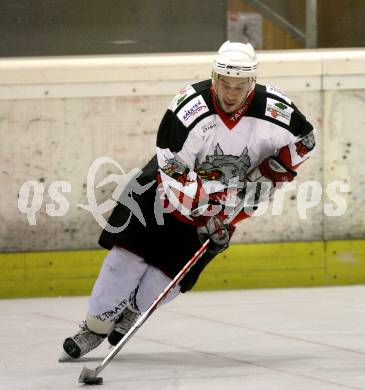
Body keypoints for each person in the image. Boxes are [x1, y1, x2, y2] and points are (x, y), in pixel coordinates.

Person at [60, 41, 316, 360]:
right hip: (158, 193)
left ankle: (133, 313)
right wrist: (205, 212)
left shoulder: (276, 109)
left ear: (253, 82)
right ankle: (94, 329)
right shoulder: (188, 107)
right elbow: (172, 166)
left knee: (166, 279)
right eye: (225, 83)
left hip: (226, 202)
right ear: (213, 77)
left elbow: (306, 141)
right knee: (125, 261)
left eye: (240, 85)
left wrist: (273, 171)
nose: (231, 92)